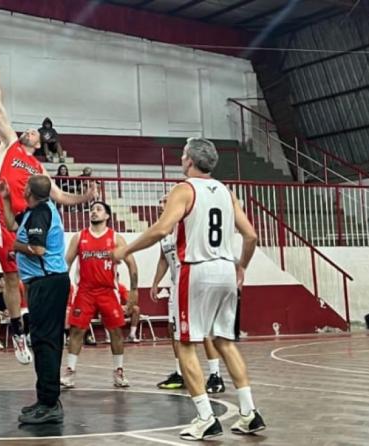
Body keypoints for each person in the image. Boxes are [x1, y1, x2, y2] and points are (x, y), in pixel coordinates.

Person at [113, 137, 265, 440]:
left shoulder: (184, 189)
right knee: (225, 341)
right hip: (225, 269)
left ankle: (205, 417)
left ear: (189, 161)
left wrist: (123, 250)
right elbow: (250, 236)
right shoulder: (227, 192)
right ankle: (249, 413)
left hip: (195, 269)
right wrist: (242, 267)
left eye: (183, 155)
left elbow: (161, 229)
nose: (182, 159)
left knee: (184, 343)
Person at [0, 60, 96, 365]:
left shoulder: (39, 168)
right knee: (11, 276)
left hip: (30, 221)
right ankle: (17, 333)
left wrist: (84, 196)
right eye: (29, 129)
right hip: (5, 216)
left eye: (35, 131)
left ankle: (35, 329)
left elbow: (59, 196)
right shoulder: (10, 144)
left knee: (31, 279)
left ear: (40, 142)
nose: (31, 131)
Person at [0, 175, 70, 425]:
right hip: (45, 282)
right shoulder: (35, 210)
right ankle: (45, 399)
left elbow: (38, 249)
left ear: (29, 191)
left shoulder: (40, 213)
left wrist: (15, 248)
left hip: (48, 282)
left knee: (46, 342)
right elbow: (10, 225)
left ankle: (50, 403)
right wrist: (6, 199)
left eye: (25, 186)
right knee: (41, 340)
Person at [151, 195, 226, 393]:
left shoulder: (188, 226)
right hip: (177, 285)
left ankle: (215, 375)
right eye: (160, 203)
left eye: (164, 202)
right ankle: (181, 372)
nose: (160, 206)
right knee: (173, 329)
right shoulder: (163, 231)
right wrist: (155, 282)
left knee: (205, 330)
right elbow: (163, 259)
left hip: (195, 283)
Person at [60, 201, 138, 389]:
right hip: (85, 291)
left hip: (108, 291)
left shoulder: (116, 238)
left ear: (108, 216)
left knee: (116, 332)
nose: (93, 212)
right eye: (92, 209)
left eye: (98, 209)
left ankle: (118, 372)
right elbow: (66, 263)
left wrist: (134, 290)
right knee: (76, 330)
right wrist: (61, 287)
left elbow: (131, 263)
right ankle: (70, 371)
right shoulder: (79, 237)